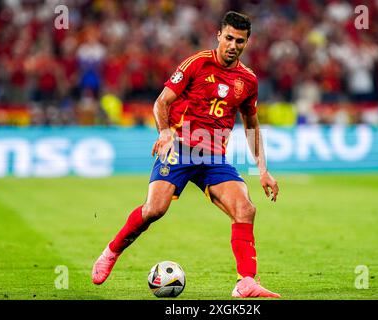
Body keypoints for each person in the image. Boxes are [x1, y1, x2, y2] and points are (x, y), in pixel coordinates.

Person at [92, 11, 281, 298]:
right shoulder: (196, 64)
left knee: (246, 209)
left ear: (247, 43)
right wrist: (164, 131)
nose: (233, 45)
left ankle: (246, 283)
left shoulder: (248, 80)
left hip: (213, 156)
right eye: (228, 38)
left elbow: (251, 125)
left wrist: (263, 170)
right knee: (155, 209)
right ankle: (111, 251)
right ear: (219, 35)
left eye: (239, 41)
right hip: (179, 147)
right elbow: (161, 102)